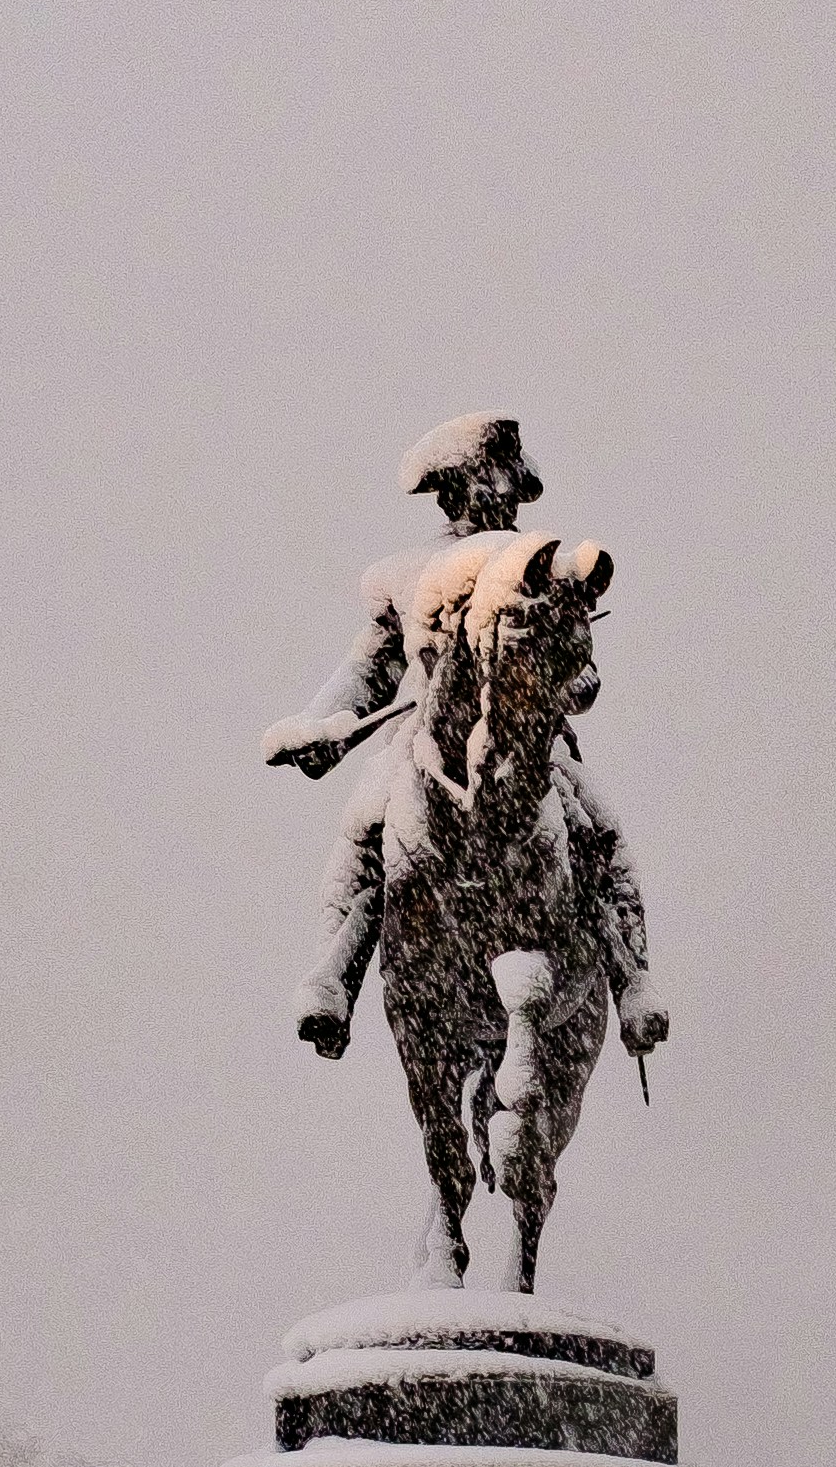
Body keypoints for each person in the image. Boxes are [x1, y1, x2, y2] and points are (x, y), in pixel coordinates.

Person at [266, 409, 666, 1072]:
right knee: (365, 838)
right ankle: (333, 979)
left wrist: (564, 680)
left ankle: (632, 979)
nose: (497, 495)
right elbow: (369, 668)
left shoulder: (545, 566)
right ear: (453, 490)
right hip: (421, 741)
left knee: (600, 832)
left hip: (532, 745)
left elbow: (578, 668)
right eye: (485, 482)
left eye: (506, 483)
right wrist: (324, 727)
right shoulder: (401, 574)